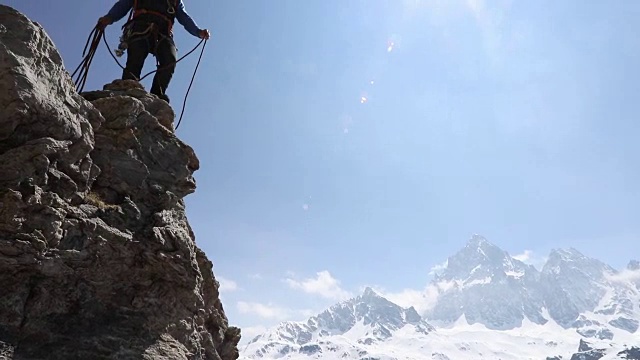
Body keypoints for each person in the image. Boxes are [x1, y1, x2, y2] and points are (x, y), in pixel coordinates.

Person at [97, 0, 210, 103]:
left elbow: (184, 18)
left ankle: (157, 94)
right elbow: (123, 5)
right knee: (136, 57)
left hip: (163, 33)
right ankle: (128, 86)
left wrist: (198, 31)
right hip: (141, 27)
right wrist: (109, 18)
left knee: (169, 60)